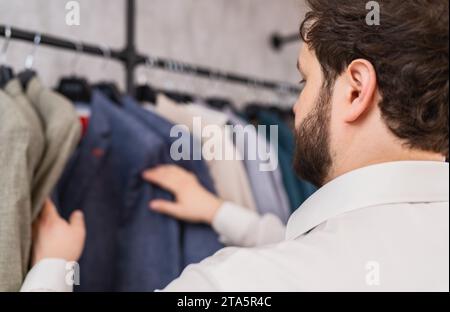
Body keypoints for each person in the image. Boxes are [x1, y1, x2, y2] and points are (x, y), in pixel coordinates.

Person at [21, 0, 448, 291]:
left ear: (355, 91)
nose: (296, 107)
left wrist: (52, 267)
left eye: (305, 81)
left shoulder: (231, 286)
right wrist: (216, 210)